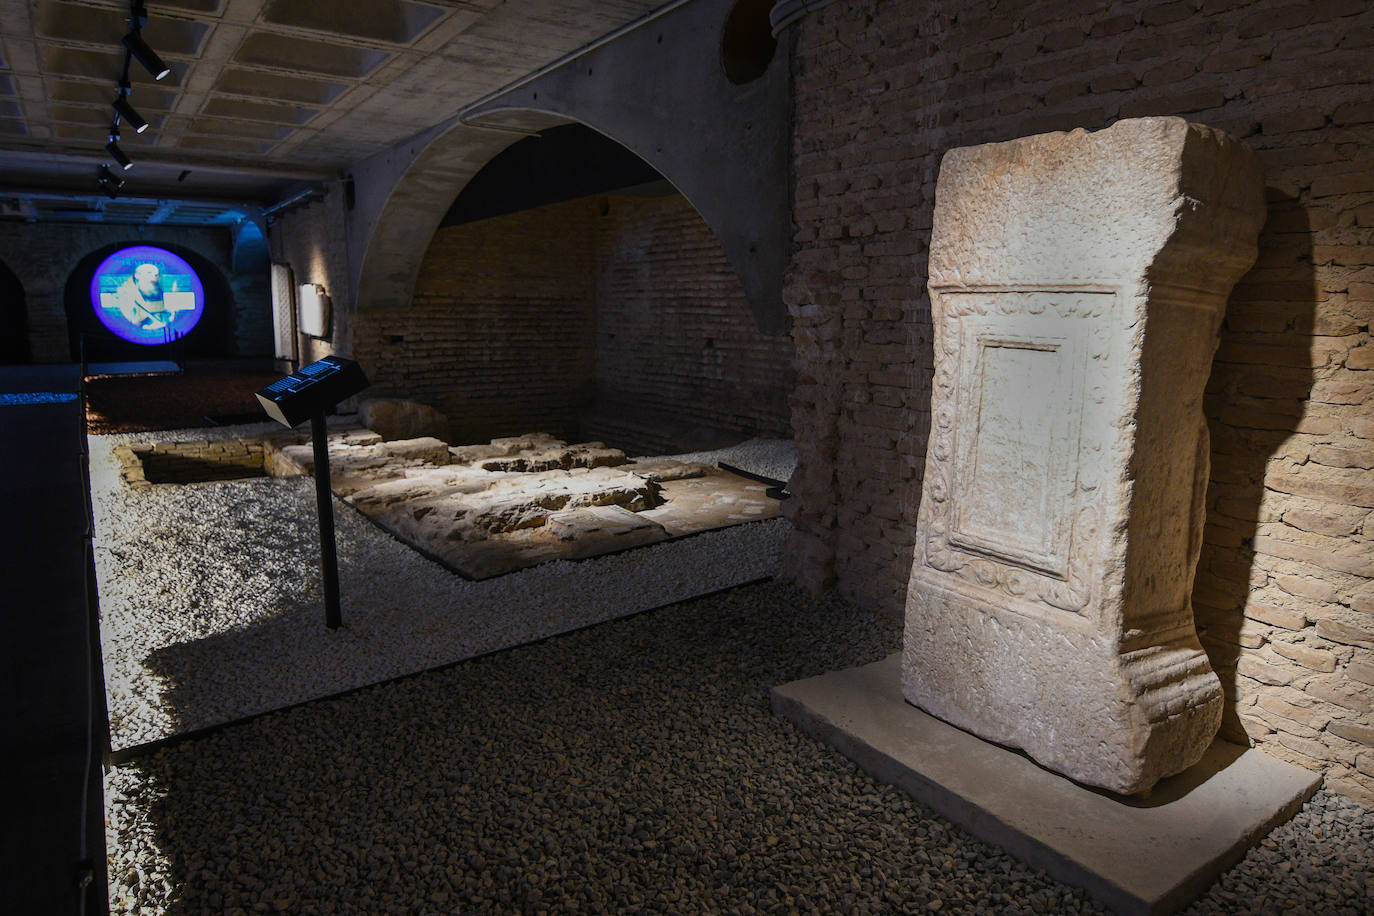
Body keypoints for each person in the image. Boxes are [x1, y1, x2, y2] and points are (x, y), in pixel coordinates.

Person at [114, 262, 170, 329]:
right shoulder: (126, 294)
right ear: (137, 275)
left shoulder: (159, 292)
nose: (154, 276)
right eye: (149, 273)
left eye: (156, 274)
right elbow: (130, 320)